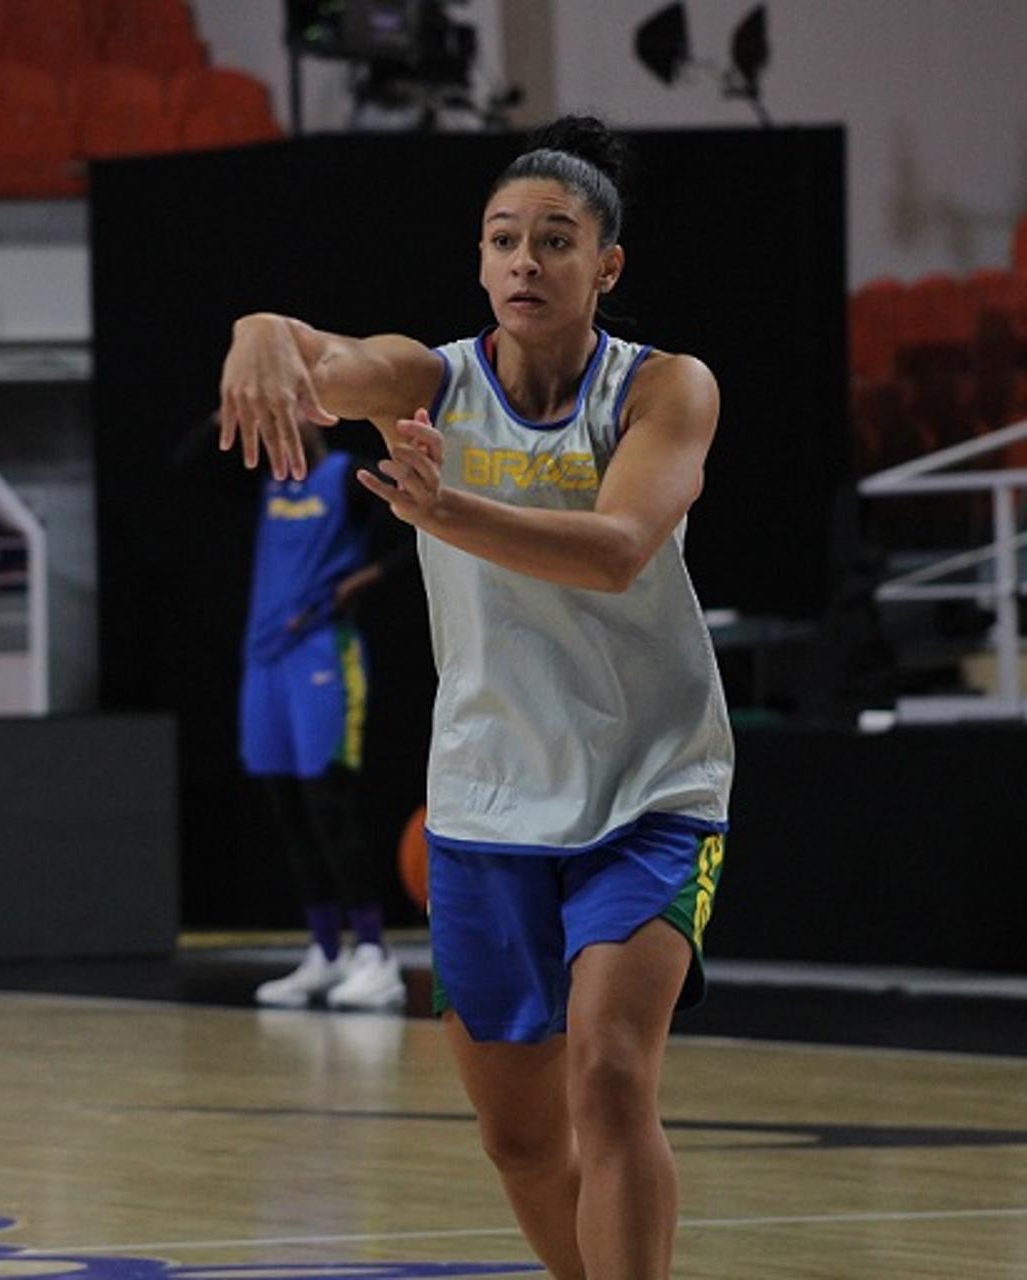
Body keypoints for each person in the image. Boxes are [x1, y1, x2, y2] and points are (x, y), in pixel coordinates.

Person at [214, 116, 734, 1280]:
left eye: (556, 240)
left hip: (653, 783)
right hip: (489, 796)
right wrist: (261, 331)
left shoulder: (664, 389)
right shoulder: (432, 377)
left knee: (607, 1074)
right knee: (519, 1135)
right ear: (480, 258)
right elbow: (322, 357)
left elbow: (615, 548)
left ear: (606, 266)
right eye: (504, 239)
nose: (524, 261)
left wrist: (444, 514)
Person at [237, 423, 411, 1011]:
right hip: (265, 661)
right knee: (287, 809)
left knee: (329, 804)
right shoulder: (269, 485)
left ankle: (374, 954)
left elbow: (422, 520)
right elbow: (181, 466)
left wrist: (369, 576)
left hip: (323, 652)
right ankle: (325, 952)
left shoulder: (346, 474)